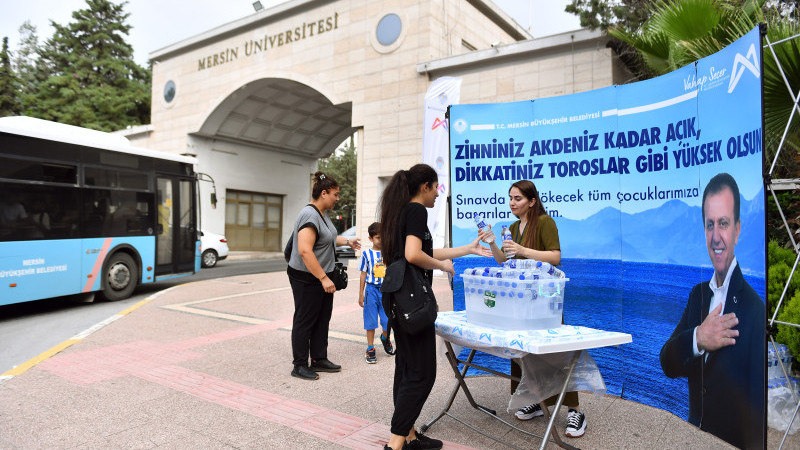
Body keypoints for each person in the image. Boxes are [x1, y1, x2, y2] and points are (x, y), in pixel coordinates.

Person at [380, 164, 491, 450]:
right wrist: (443, 267)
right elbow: (414, 255)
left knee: (406, 368)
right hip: (413, 303)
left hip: (399, 300)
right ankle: (395, 445)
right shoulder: (416, 211)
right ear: (425, 186)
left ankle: (410, 436)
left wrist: (468, 249)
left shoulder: (400, 211)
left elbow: (420, 252)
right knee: (422, 373)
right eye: (437, 187)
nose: (439, 194)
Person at [659, 173, 765, 449]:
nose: (716, 237)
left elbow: (755, 408)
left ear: (738, 229)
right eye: (710, 225)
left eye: (724, 224)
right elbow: (667, 363)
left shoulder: (755, 308)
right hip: (694, 438)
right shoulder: (698, 295)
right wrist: (697, 339)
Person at [479, 179, 586, 438]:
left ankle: (575, 411)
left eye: (517, 198)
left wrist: (523, 249)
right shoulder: (513, 227)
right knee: (522, 351)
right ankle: (538, 402)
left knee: (555, 354)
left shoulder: (545, 222)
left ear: (532, 201)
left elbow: (556, 256)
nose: (512, 203)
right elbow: (506, 261)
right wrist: (493, 243)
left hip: (545, 300)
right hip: (521, 300)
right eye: (510, 198)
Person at [287, 171, 361, 381]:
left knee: (321, 319)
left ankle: (319, 359)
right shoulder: (309, 215)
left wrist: (347, 242)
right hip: (306, 278)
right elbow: (305, 250)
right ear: (324, 193)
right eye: (335, 195)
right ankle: (299, 365)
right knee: (305, 320)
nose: (338, 199)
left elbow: (326, 238)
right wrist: (323, 278)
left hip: (320, 276)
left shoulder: (321, 214)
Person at [358, 222, 394, 363]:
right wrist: (361, 294)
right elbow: (363, 274)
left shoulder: (389, 253)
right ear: (371, 238)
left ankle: (385, 337)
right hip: (371, 291)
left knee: (387, 321)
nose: (382, 240)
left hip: (386, 291)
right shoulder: (366, 254)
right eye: (379, 237)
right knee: (371, 320)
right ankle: (370, 348)